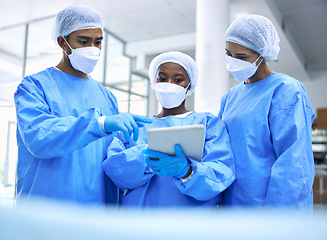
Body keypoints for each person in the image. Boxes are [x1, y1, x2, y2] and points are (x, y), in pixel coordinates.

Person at [14, 5, 151, 206]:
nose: (93, 49)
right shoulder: (34, 86)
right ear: (63, 42)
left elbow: (116, 160)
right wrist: (100, 124)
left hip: (95, 213)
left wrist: (148, 156)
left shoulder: (107, 97)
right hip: (45, 211)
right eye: (83, 41)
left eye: (98, 42)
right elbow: (39, 138)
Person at [103, 51, 235, 208]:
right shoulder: (136, 126)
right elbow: (116, 171)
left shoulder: (208, 124)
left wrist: (187, 171)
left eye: (178, 80)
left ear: (189, 85)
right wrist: (146, 159)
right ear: (154, 81)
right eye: (162, 78)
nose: (169, 84)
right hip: (140, 223)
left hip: (190, 225)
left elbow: (222, 174)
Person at [219, 14, 315, 210]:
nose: (233, 61)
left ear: (263, 55)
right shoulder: (230, 97)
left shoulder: (285, 90)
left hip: (268, 209)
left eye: (242, 57)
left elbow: (294, 165)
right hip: (232, 206)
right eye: (228, 54)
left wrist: (278, 222)